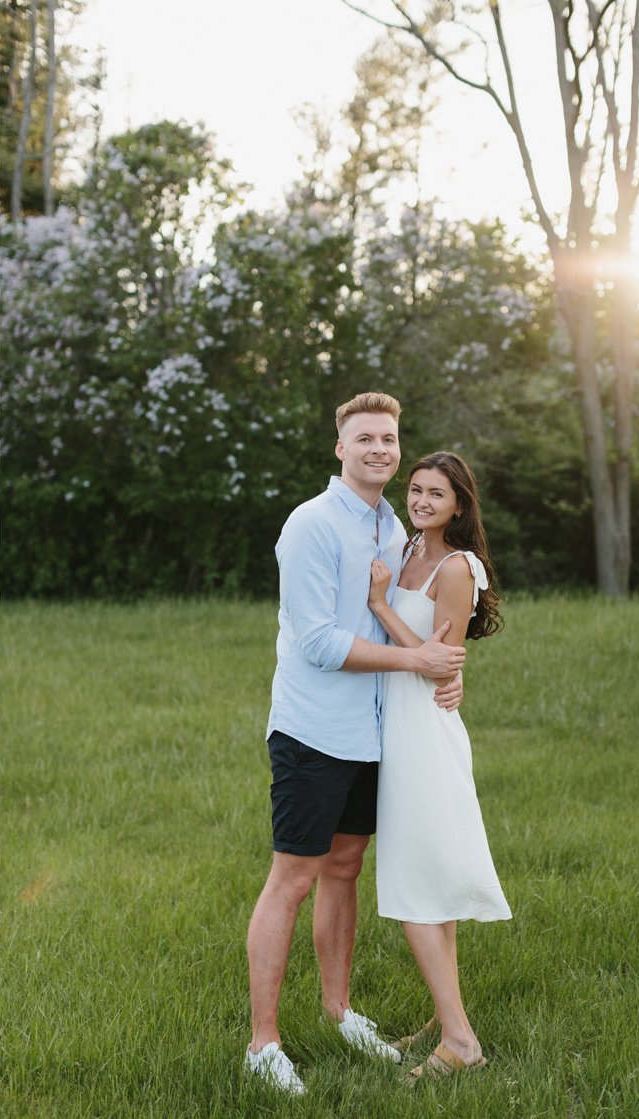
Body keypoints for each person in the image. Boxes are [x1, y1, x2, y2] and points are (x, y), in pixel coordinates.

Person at [245, 392, 467, 1096]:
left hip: (374, 734)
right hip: (314, 729)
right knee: (295, 876)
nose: (379, 447)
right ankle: (263, 1042)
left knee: (345, 867)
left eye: (389, 437)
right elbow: (315, 643)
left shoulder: (392, 524)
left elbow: (419, 614)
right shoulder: (311, 525)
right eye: (365, 437)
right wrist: (419, 664)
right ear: (340, 448)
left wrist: (446, 670)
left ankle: (339, 1011)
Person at [367, 450, 510, 1082]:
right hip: (399, 721)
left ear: (459, 504)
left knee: (413, 884)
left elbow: (437, 660)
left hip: (424, 728)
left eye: (436, 494)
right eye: (416, 490)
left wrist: (379, 607)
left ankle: (460, 1042)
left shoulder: (456, 566)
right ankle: (442, 1012)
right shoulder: (406, 549)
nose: (422, 501)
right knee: (423, 876)